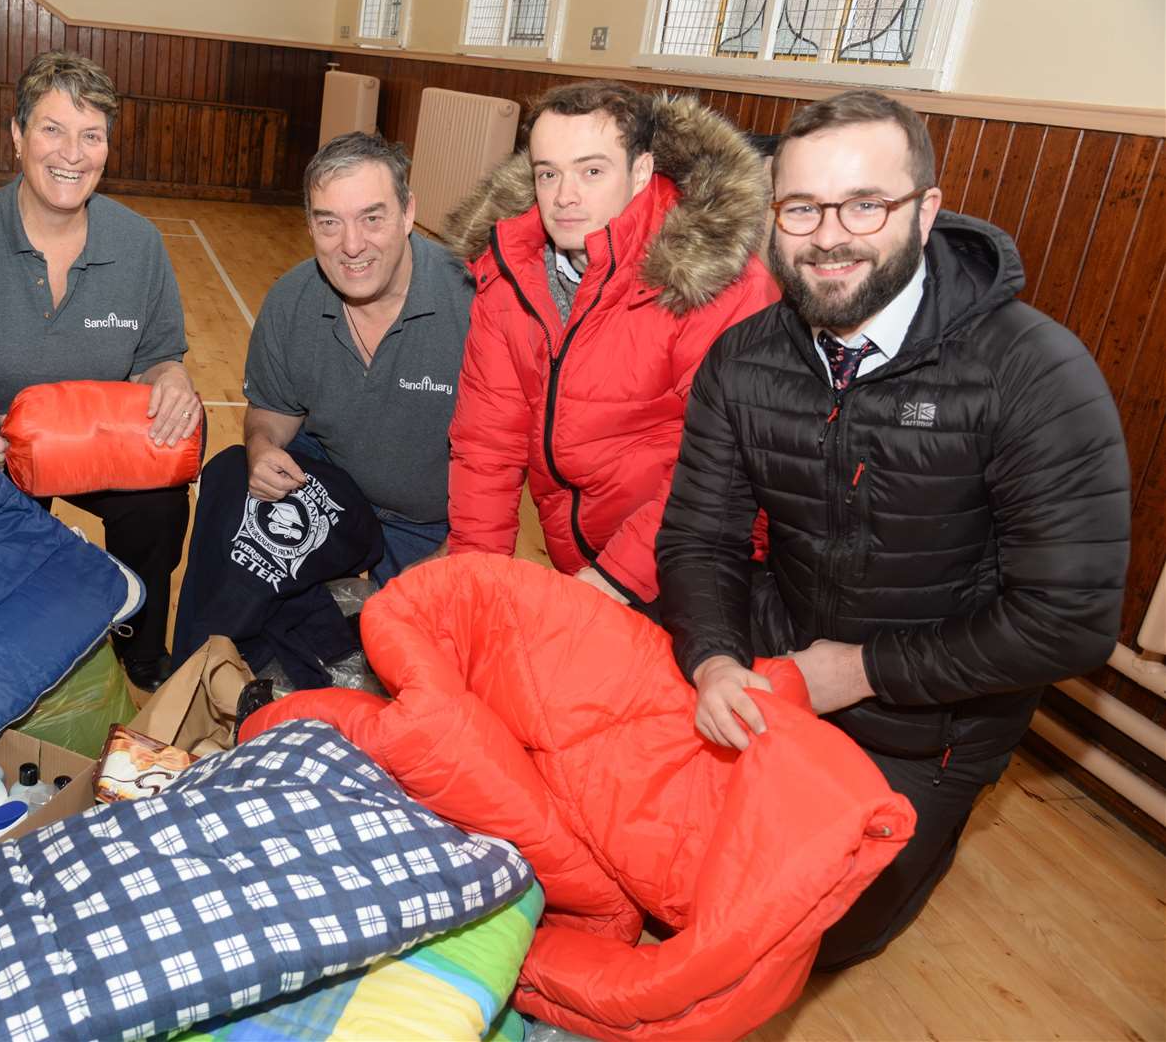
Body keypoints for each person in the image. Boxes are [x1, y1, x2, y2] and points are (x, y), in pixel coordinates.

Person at [655, 89, 1130, 969]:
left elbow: (1068, 619)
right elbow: (699, 537)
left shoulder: (1035, 372)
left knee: (798, 940)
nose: (828, 236)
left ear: (926, 213)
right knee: (652, 863)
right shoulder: (745, 355)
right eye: (800, 208)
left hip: (932, 721)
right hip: (780, 659)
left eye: (864, 204)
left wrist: (859, 670)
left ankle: (924, 846)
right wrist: (715, 657)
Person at [442, 82, 778, 619]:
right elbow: (487, 444)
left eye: (592, 171)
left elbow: (720, 470)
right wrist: (474, 584)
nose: (564, 195)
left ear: (641, 172)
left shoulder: (714, 283)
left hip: (700, 563)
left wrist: (608, 583)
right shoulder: (509, 272)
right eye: (548, 173)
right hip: (583, 562)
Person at [0, 51, 200, 692]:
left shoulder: (138, 244)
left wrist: (172, 379)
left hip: (96, 442)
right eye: (52, 129)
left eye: (91, 135)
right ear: (18, 136)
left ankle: (137, 643)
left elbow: (162, 352)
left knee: (160, 503)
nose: (71, 154)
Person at [237, 130, 475, 583]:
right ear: (309, 225)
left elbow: (502, 468)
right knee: (230, 489)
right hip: (330, 501)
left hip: (437, 528)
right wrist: (261, 446)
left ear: (408, 213)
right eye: (329, 223)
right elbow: (271, 411)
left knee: (417, 643)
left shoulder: (473, 302)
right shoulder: (291, 298)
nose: (351, 245)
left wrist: (456, 553)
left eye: (371, 218)